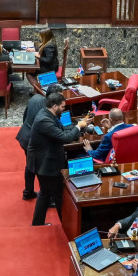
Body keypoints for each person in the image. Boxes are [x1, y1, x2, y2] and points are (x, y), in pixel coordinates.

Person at [28, 92, 88, 225]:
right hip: (46, 165)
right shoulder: (44, 120)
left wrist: (77, 126)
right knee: (59, 197)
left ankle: (37, 223)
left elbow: (61, 130)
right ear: (55, 106)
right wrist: (78, 126)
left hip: (46, 161)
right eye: (62, 107)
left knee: (45, 193)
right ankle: (67, 228)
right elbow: (65, 138)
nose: (64, 109)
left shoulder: (48, 114)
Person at [16, 84, 62, 201]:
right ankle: (45, 198)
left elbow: (25, 116)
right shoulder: (47, 111)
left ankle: (28, 192)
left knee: (30, 166)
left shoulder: (35, 97)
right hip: (33, 141)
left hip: (24, 135)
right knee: (41, 168)